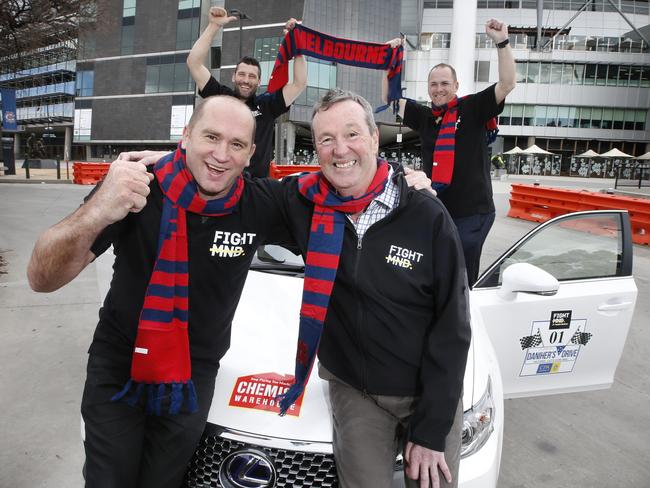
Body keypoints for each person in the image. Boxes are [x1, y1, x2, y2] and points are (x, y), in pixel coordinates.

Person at [26, 96, 295, 488]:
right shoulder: (138, 184)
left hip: (193, 375)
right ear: (185, 136)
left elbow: (340, 205)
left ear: (251, 153)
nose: (221, 154)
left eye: (236, 144)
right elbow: (40, 277)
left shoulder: (261, 203)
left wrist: (410, 188)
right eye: (211, 137)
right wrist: (102, 205)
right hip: (119, 365)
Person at [276, 89, 471, 488]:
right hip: (357, 389)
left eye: (351, 134)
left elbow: (454, 326)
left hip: (425, 390)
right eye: (326, 139)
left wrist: (431, 430)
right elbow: (231, 192)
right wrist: (181, 161)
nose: (340, 149)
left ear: (373, 139)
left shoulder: (426, 214)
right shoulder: (305, 203)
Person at [382, 18, 516, 285]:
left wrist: (502, 42)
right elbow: (390, 100)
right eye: (434, 84)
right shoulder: (425, 117)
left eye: (445, 83)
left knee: (462, 274)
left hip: (473, 212)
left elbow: (507, 83)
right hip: (438, 207)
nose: (439, 89)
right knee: (436, 268)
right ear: (428, 88)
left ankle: (464, 320)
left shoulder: (474, 107)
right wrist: (388, 62)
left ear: (456, 86)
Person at [187, 7, 307, 178]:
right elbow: (194, 63)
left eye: (252, 76)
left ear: (259, 82)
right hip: (218, 182)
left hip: (254, 189)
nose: (246, 80)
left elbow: (299, 83)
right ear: (233, 76)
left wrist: (297, 44)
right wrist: (213, 26)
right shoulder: (220, 97)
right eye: (242, 74)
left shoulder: (267, 105)